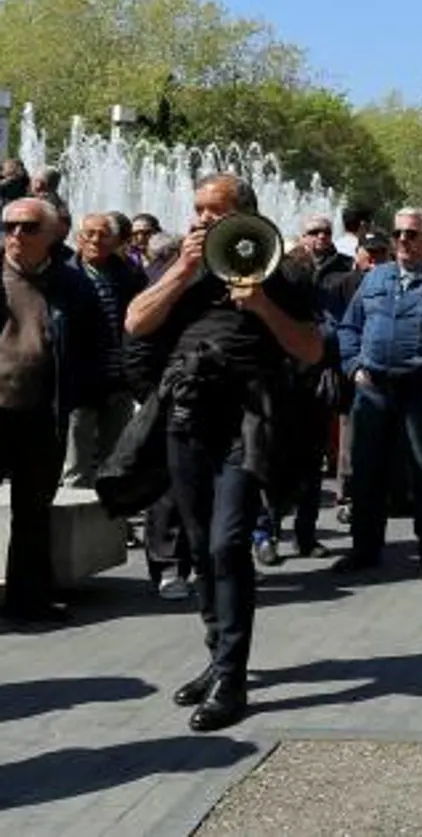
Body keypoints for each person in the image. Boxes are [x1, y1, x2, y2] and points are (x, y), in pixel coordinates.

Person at [122, 174, 324, 731]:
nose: (203, 219)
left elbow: (310, 349)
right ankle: (217, 658)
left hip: (246, 421)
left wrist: (260, 304)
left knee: (227, 542)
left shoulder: (280, 269)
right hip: (187, 416)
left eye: (216, 210)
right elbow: (136, 323)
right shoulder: (180, 267)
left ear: (246, 215)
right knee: (197, 542)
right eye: (198, 210)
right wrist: (184, 271)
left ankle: (232, 677)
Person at [1, 197, 108, 623]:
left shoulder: (72, 284)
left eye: (27, 227)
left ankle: (29, 599)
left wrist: (85, 393)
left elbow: (94, 343)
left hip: (44, 412)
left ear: (51, 235)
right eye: (8, 226)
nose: (15, 235)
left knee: (33, 509)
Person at [333, 208, 422, 576]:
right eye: (399, 233)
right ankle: (365, 549)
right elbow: (348, 327)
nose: (403, 240)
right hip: (373, 391)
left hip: (420, 391)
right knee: (367, 472)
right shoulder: (375, 279)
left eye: (412, 234)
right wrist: (354, 368)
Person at [61, 212, 148, 488]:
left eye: (103, 234)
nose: (96, 240)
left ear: (115, 240)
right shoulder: (64, 275)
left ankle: (111, 525)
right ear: (79, 238)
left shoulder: (130, 275)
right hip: (79, 383)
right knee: (76, 463)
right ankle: (74, 525)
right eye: (90, 234)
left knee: (116, 461)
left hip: (119, 381)